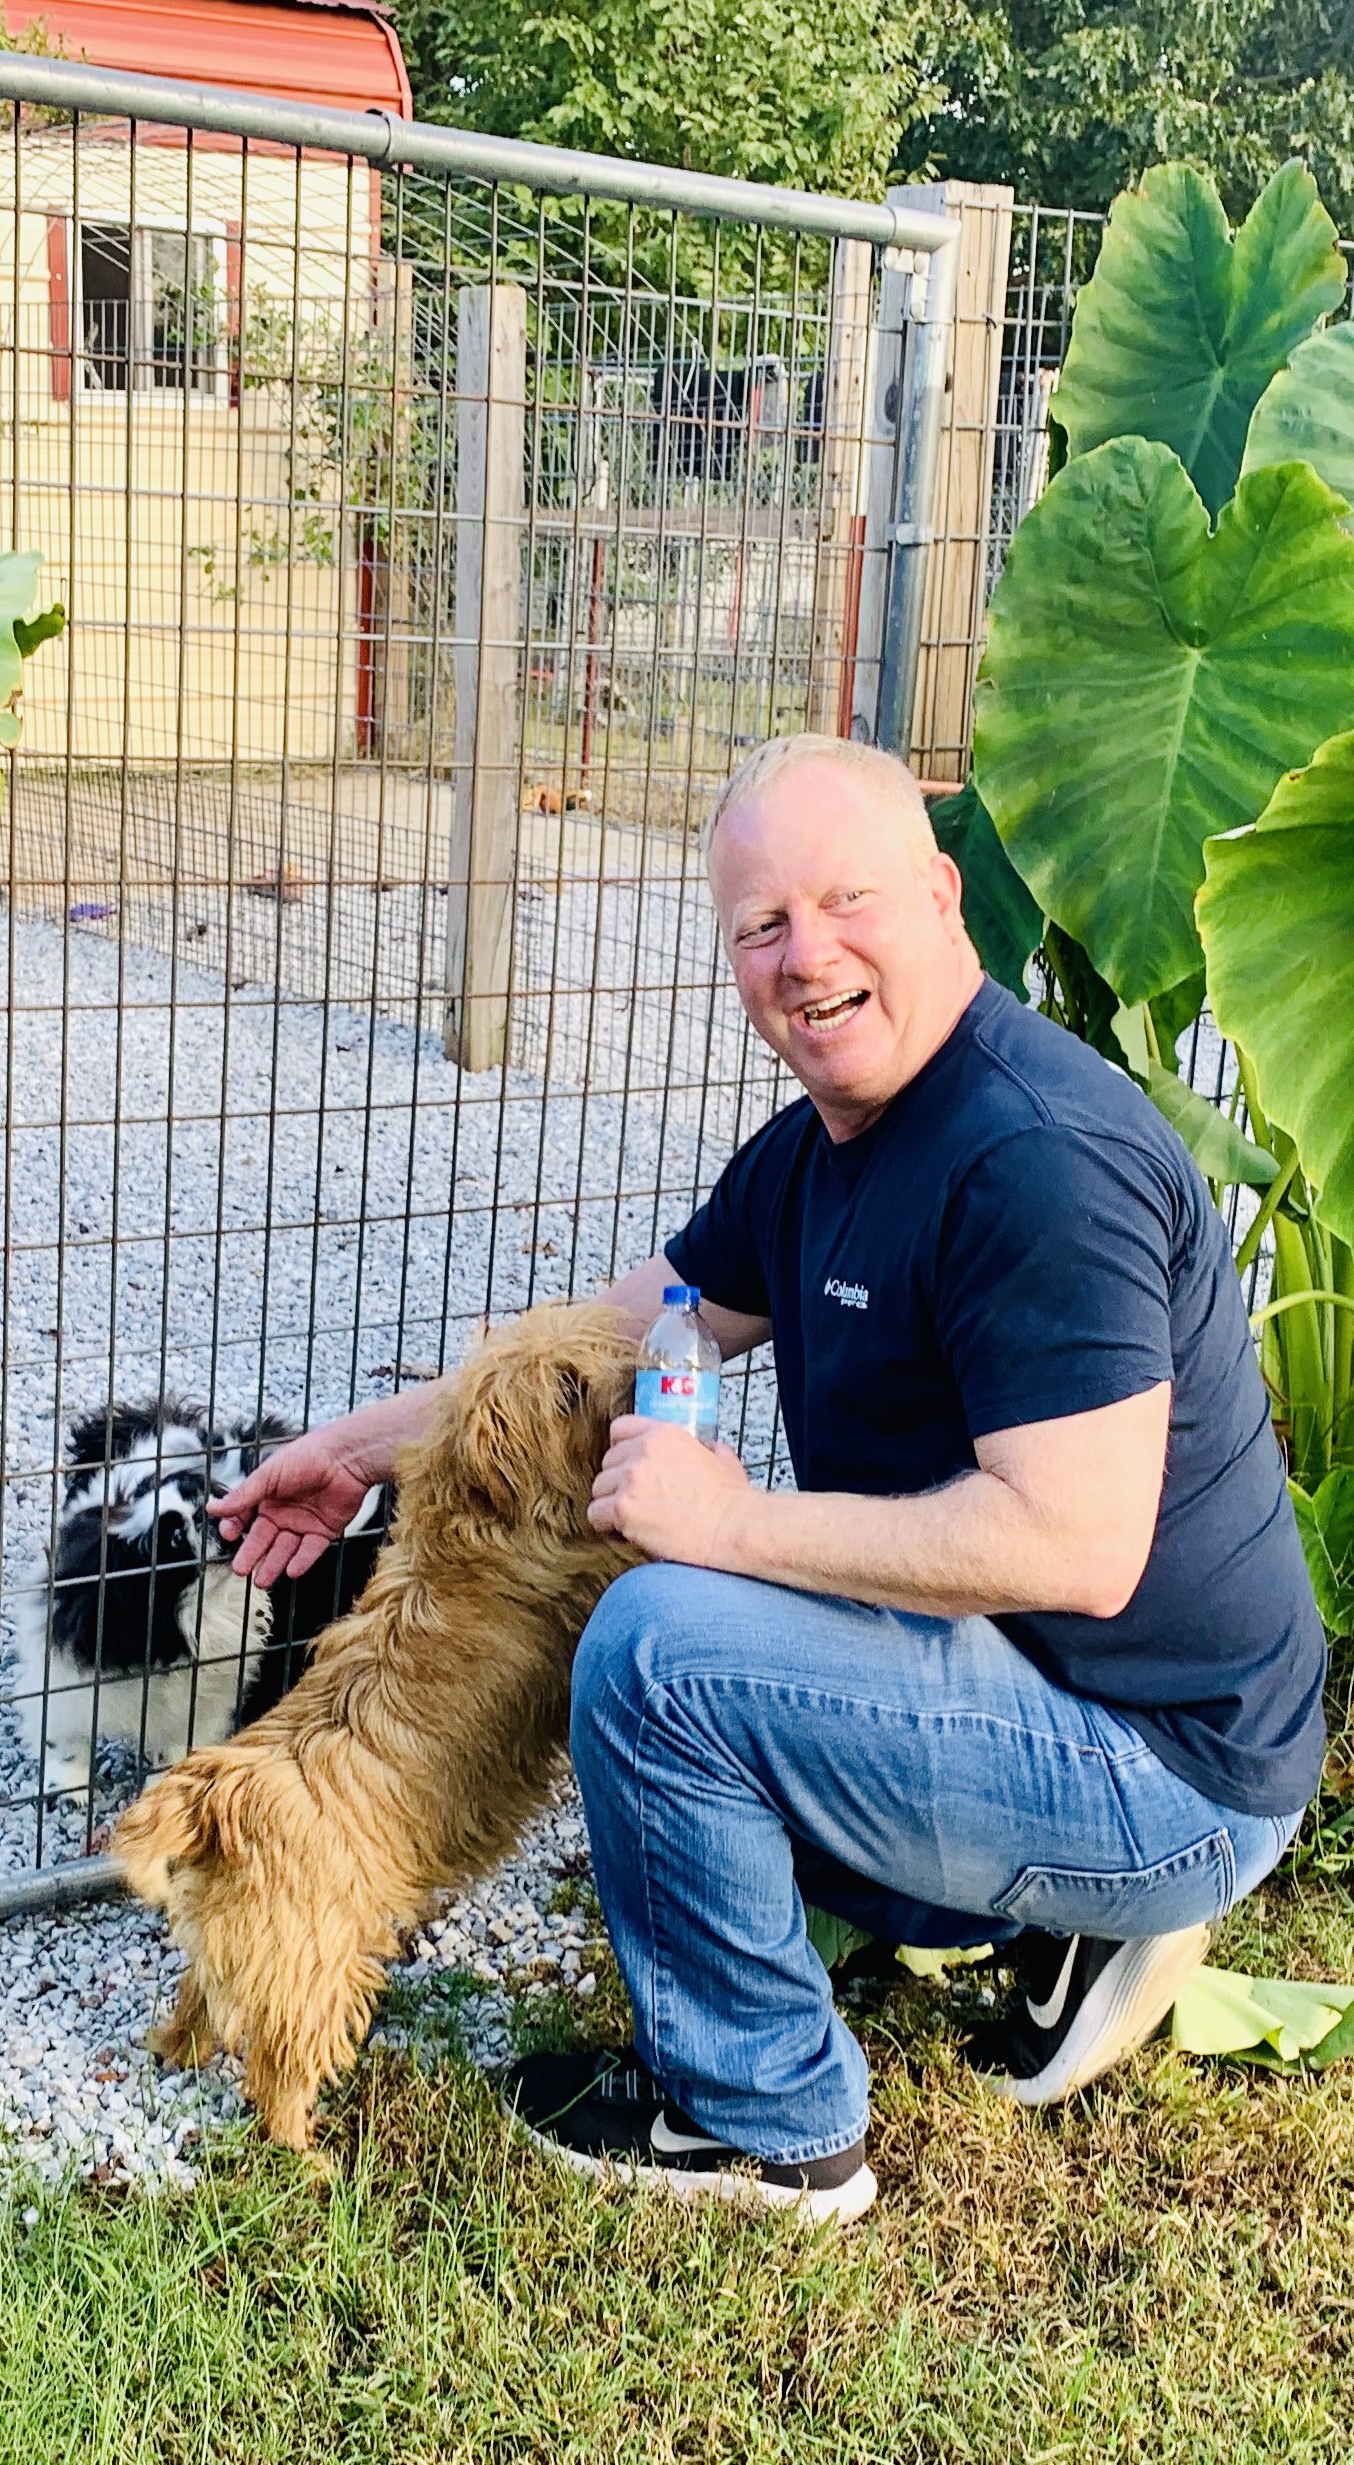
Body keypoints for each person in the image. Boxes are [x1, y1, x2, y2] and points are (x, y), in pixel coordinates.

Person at [209, 733, 1325, 2224]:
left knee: (662, 1651)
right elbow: (614, 1329)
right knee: (697, 1721)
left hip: (1165, 1767)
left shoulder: (1034, 1160)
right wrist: (358, 1448)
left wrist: (728, 1524)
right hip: (1041, 1693)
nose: (807, 957)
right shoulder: (817, 1150)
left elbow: (1076, 1544)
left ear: (943, 897)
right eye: (762, 925)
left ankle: (768, 2130)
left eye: (845, 900)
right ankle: (1052, 1926)